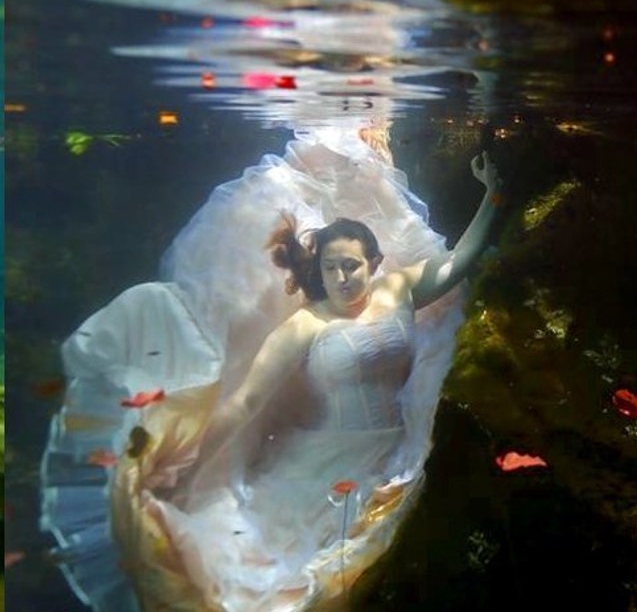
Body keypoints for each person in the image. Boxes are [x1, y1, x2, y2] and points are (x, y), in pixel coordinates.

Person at [41, 120, 502, 611]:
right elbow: (245, 403)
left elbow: (460, 261)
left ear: (374, 262)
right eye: (330, 268)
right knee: (277, 579)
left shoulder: (398, 288)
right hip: (322, 464)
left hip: (395, 445)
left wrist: (493, 195)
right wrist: (190, 462)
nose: (342, 278)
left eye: (351, 266)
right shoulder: (305, 324)